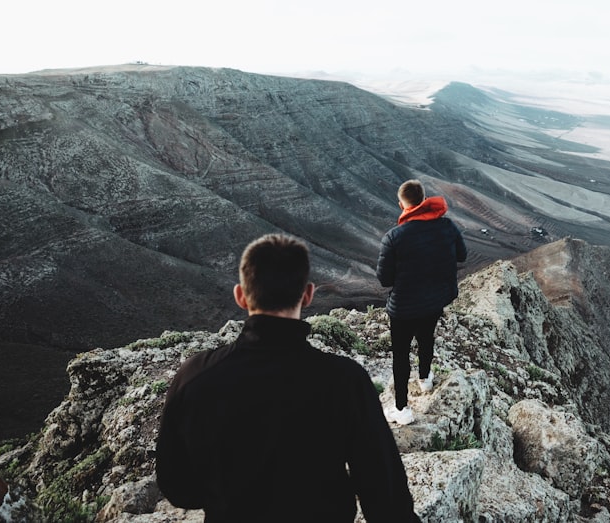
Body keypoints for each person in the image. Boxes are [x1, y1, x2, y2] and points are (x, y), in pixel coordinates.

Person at [156, 233, 420, 523]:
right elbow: (384, 492)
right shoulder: (345, 381)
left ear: (241, 296)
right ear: (308, 295)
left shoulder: (194, 378)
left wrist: (224, 494)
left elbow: (177, 486)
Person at [376, 180, 467, 426]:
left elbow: (384, 279)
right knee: (427, 336)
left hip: (404, 306)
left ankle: (401, 409)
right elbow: (462, 255)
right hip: (435, 298)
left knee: (401, 355)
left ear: (401, 204)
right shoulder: (447, 226)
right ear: (424, 199)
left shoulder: (394, 237)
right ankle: (425, 378)